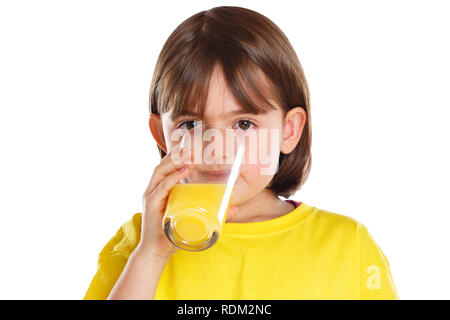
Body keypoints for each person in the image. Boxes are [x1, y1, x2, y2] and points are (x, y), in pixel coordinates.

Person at [83, 6, 399, 300]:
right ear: (161, 135)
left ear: (288, 132)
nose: (217, 150)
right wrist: (151, 255)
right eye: (191, 124)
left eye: (244, 124)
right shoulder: (138, 243)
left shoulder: (348, 245)